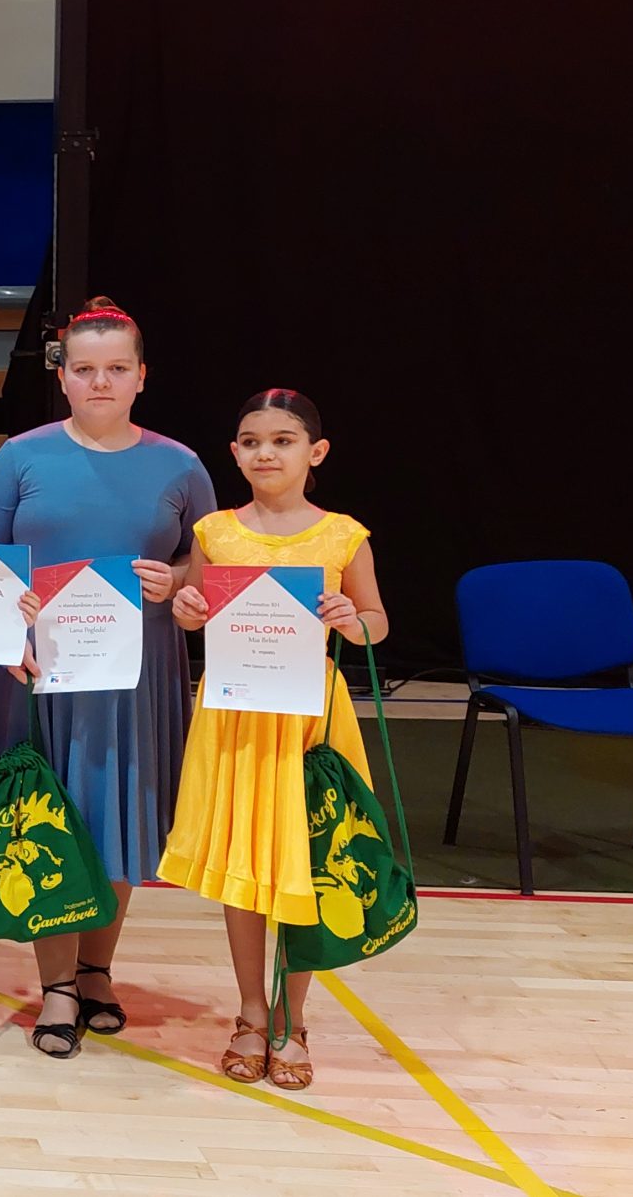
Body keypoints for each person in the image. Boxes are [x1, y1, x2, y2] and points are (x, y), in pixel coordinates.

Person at [0, 298, 216, 1056]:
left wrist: (177, 581)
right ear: (63, 377)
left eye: (115, 368)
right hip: (39, 671)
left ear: (141, 376)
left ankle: (96, 968)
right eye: (84, 369)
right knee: (47, 822)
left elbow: (206, 566)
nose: (99, 382)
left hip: (135, 675)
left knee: (115, 818)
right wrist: (5, 634)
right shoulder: (20, 458)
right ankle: (57, 986)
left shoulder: (181, 465)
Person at [163, 389, 387, 1091]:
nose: (267, 453)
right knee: (247, 862)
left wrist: (352, 618)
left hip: (308, 719)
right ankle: (251, 1013)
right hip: (235, 715)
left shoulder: (343, 536)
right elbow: (192, 611)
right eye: (252, 441)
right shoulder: (214, 532)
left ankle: (294, 1016)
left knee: (307, 863)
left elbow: (376, 623)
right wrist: (187, 608)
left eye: (283, 441)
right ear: (235, 453)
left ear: (315, 452)